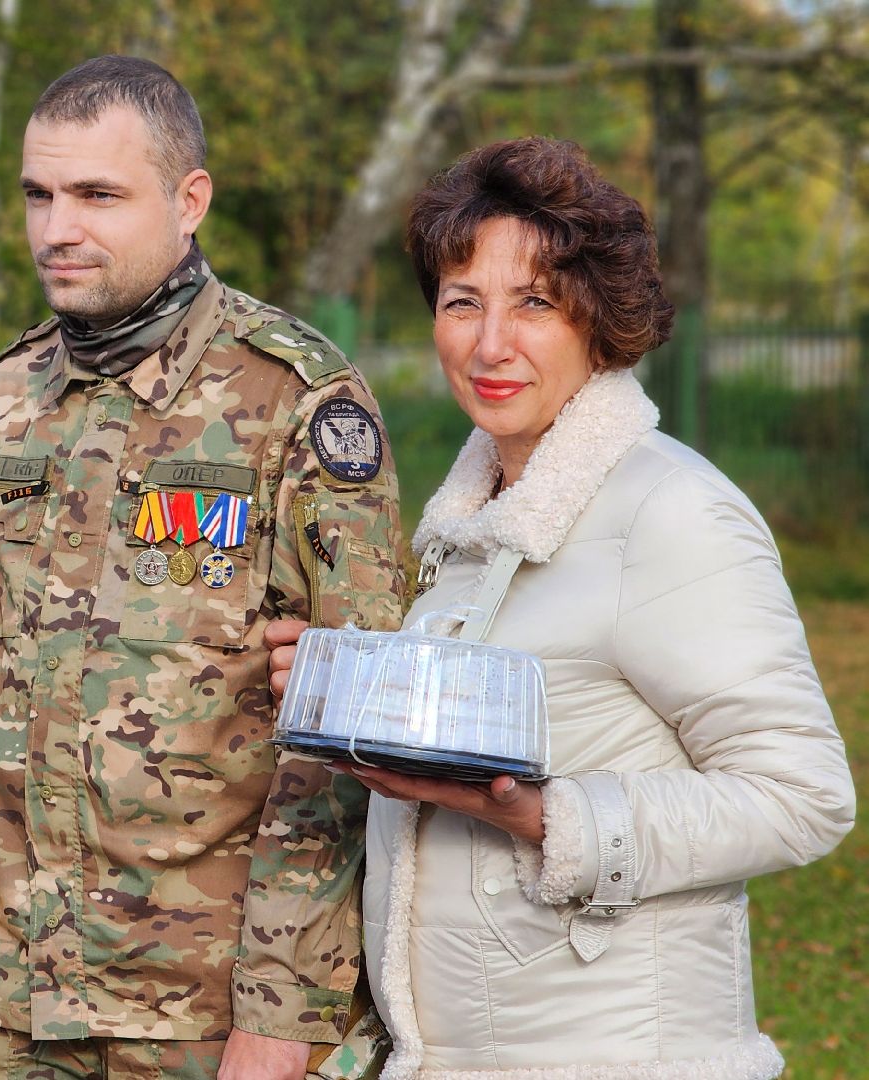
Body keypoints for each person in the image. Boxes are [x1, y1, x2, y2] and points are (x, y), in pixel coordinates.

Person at [265, 137, 855, 1078]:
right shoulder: (471, 526)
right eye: (462, 302)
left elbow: (803, 797)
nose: (489, 344)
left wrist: (552, 818)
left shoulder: (671, 511)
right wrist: (351, 692)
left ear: (599, 318)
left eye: (534, 303)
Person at [0, 55, 406, 1079]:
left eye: (97, 195)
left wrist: (281, 1015)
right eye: (38, 194)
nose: (56, 228)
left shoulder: (294, 399)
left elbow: (347, 740)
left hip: (196, 1006)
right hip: (0, 990)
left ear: (189, 201)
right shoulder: (4, 398)